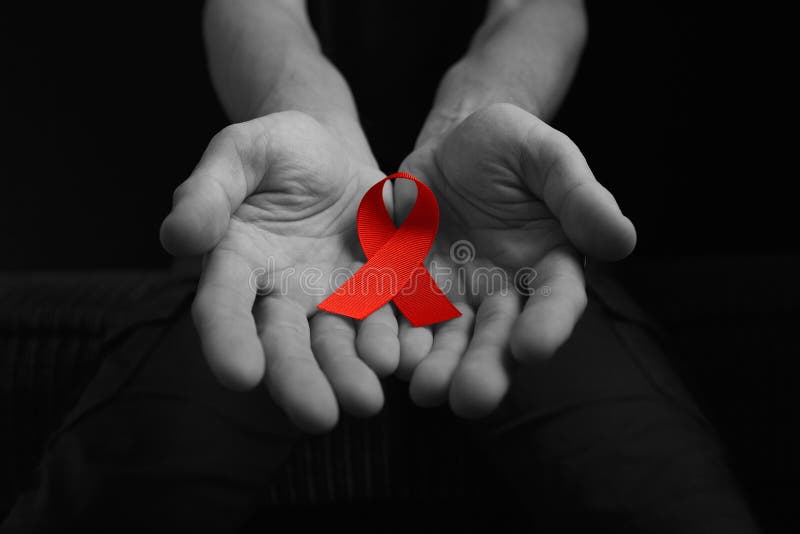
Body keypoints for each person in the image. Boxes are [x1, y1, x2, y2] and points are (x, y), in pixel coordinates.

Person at [1, 1, 761, 532]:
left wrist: (475, 114)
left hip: (500, 244)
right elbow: (256, 6)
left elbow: (537, 5)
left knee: (651, 487)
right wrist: (310, 112)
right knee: (140, 481)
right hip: (293, 244)